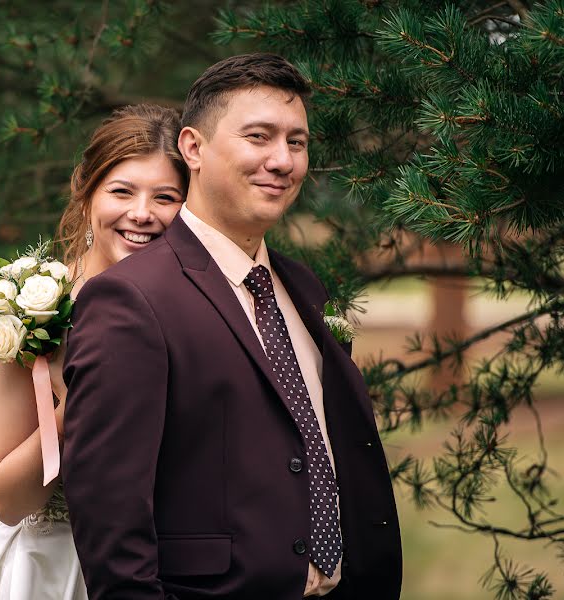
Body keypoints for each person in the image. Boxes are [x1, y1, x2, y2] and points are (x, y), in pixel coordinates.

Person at [62, 53, 402, 599]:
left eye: (297, 142)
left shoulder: (301, 287)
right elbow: (110, 522)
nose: (282, 160)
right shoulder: (130, 299)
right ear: (193, 148)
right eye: (259, 137)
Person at [0, 104, 189, 600]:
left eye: (165, 197)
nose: (142, 213)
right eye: (122, 191)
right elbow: (6, 500)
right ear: (86, 195)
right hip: (56, 569)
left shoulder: (199, 311)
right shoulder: (26, 307)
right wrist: (80, 409)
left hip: (179, 568)